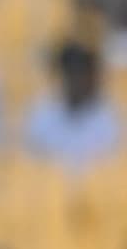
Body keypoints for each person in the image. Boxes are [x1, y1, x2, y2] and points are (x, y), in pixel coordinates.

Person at [25, 40, 120, 171]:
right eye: (72, 72)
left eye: (83, 73)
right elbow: (32, 163)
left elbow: (113, 167)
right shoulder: (42, 114)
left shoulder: (110, 118)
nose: (78, 80)